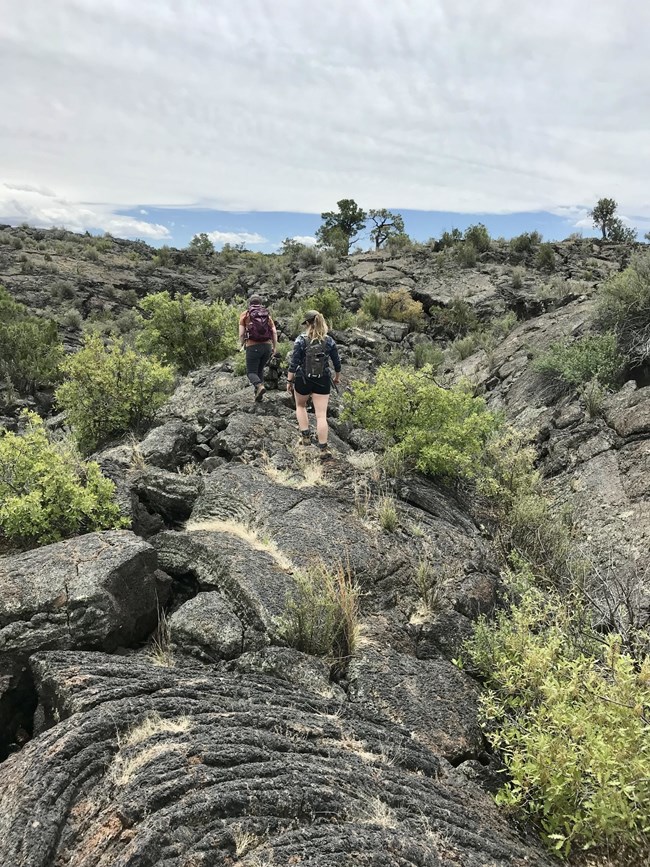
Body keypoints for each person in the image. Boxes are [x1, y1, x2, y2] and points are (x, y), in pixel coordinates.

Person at [286, 310, 341, 460]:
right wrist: (336, 377)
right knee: (321, 415)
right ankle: (323, 449)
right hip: (322, 381)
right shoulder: (329, 341)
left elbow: (294, 363)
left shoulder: (300, 340)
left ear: (308, 323)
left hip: (303, 379)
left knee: (301, 406)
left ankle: (306, 437)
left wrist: (289, 381)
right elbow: (337, 363)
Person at [239, 295, 277, 401]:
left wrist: (242, 344)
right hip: (267, 346)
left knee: (251, 372)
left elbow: (241, 334)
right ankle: (258, 396)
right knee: (259, 370)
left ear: (250, 303)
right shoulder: (266, 315)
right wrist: (274, 347)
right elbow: (274, 331)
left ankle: (259, 386)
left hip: (253, 346)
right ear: (260, 303)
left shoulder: (245, 314)